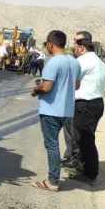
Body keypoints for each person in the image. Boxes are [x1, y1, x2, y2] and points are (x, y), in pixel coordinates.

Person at [30, 30, 81, 191]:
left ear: (51, 43)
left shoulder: (53, 63)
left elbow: (46, 87)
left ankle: (52, 181)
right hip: (67, 111)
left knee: (52, 145)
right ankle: (54, 178)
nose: (46, 46)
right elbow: (77, 86)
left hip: (51, 111)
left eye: (46, 43)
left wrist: (35, 89)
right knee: (55, 144)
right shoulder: (74, 63)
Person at [64, 31, 105, 184]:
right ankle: (83, 168)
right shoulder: (99, 62)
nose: (73, 46)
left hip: (85, 105)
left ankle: (89, 174)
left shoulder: (83, 61)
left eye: (75, 43)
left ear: (82, 47)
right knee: (85, 140)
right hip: (96, 103)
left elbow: (68, 79)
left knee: (84, 140)